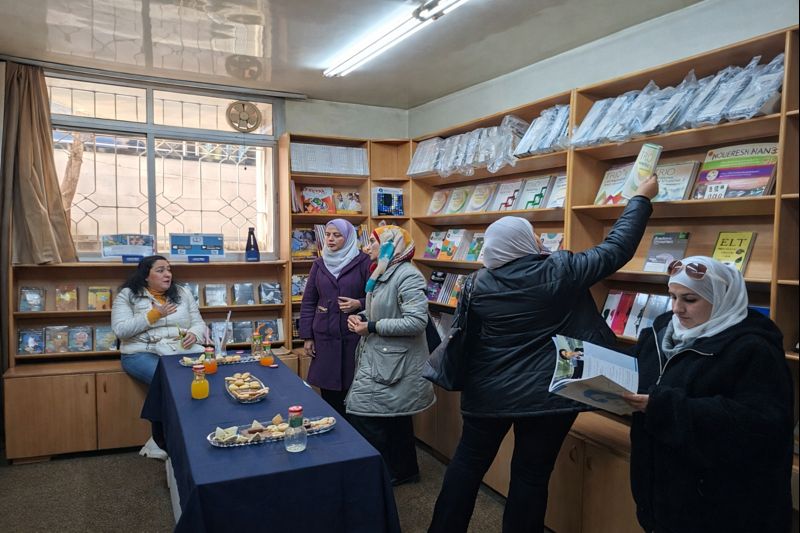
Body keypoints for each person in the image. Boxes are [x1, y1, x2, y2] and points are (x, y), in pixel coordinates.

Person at [428, 176, 659, 533]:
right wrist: (640, 198)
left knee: (466, 465)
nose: (538, 238)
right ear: (523, 241)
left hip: (487, 393)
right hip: (548, 394)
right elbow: (617, 247)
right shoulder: (561, 271)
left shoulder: (477, 283)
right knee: (531, 476)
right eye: (532, 233)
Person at [622, 257, 793, 533]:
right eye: (673, 296)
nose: (677, 308)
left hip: (720, 509)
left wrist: (666, 408)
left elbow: (761, 425)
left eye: (690, 299)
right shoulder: (663, 327)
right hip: (662, 498)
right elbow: (640, 368)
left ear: (722, 298)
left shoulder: (753, 348)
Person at [345, 225, 434, 486]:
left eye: (372, 243)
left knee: (365, 416)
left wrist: (371, 326)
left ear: (388, 246)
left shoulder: (408, 276)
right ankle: (403, 471)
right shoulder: (383, 272)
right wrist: (361, 317)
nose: (366, 248)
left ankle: (378, 478)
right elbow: (384, 311)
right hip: (383, 358)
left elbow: (417, 322)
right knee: (396, 418)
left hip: (395, 361)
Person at [111, 255, 206, 459]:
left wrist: (194, 334)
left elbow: (198, 323)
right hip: (140, 352)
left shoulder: (182, 292)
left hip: (177, 349)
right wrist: (153, 315)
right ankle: (160, 439)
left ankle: (199, 431)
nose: (168, 274)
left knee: (210, 371)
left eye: (169, 269)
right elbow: (121, 330)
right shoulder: (127, 295)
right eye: (161, 270)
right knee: (168, 382)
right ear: (146, 275)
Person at [299, 219, 371, 416]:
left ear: (348, 238)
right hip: (325, 339)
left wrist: (359, 304)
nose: (330, 239)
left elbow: (377, 297)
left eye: (337, 235)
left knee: (356, 398)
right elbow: (308, 302)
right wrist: (307, 336)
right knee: (330, 400)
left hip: (355, 339)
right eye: (328, 234)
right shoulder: (319, 264)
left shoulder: (364, 262)